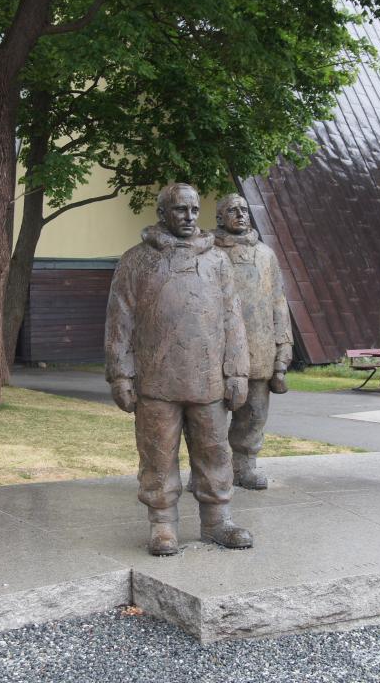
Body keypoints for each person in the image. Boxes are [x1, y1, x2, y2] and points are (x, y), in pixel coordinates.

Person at [105, 183, 252, 556]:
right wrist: (120, 374)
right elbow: (120, 320)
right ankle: (162, 524)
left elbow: (233, 319)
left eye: (194, 209)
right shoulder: (136, 260)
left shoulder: (217, 261)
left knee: (214, 451)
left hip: (209, 379)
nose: (188, 217)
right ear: (162, 213)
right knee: (157, 454)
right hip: (155, 379)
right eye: (179, 209)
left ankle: (217, 520)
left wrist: (237, 371)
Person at [211, 193, 292, 489]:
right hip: (217, 352)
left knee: (254, 414)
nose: (240, 214)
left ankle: (244, 466)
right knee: (210, 418)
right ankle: (207, 470)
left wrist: (283, 347)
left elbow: (278, 301)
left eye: (244, 209)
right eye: (232, 210)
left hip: (259, 348)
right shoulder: (208, 253)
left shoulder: (265, 254)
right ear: (220, 218)